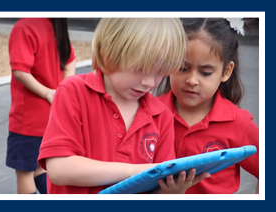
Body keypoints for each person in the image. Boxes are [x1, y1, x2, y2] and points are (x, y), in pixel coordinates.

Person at [37, 18, 210, 194]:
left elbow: (155, 190)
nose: (148, 82)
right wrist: (133, 171)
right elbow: (59, 169)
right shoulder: (73, 92)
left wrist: (172, 191)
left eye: (160, 72)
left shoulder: (162, 117)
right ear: (108, 52)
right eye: (139, 68)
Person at [156, 18, 259, 194]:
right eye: (182, 68)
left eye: (205, 73)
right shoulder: (151, 112)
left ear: (226, 72)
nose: (191, 80)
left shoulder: (239, 124)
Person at [6, 18, 76, 194]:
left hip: (27, 120)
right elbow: (70, 60)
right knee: (41, 168)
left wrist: (47, 93)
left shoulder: (24, 26)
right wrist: (61, 89)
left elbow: (21, 71)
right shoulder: (55, 24)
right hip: (52, 118)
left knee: (24, 174)